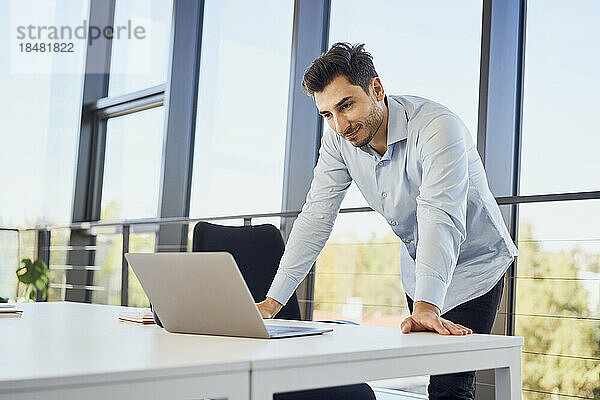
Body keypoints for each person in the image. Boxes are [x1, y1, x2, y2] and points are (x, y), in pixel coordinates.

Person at [257, 42, 518, 399]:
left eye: (346, 105)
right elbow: (316, 215)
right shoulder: (339, 141)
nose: (340, 124)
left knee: (450, 385)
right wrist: (272, 302)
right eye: (328, 114)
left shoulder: (437, 127)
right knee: (431, 371)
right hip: (418, 263)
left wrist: (427, 306)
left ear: (376, 89)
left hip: (475, 263)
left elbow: (439, 214)